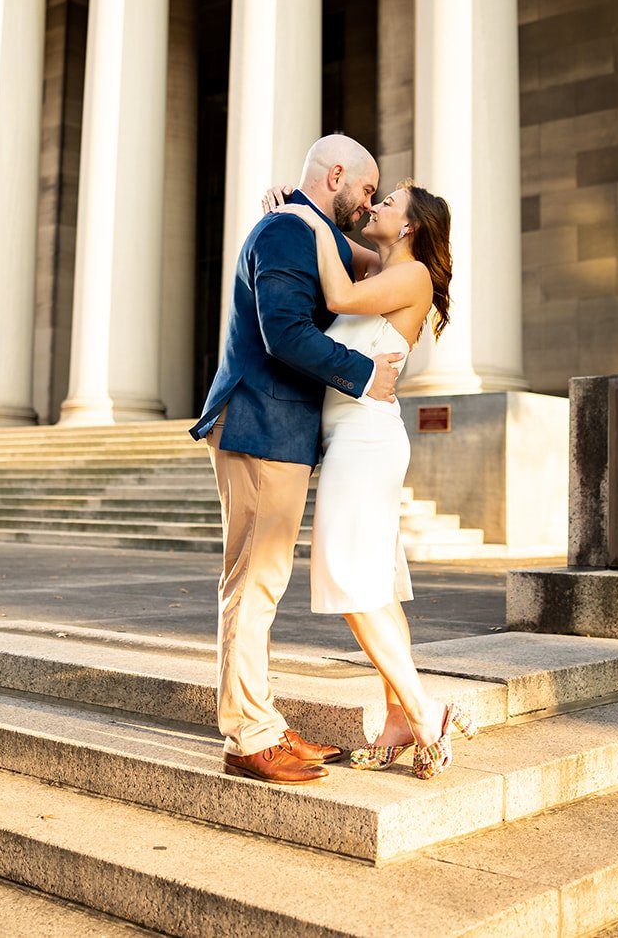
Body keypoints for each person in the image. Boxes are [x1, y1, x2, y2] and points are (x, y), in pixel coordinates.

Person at [189, 134, 404, 785]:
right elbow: (284, 333)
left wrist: (309, 210)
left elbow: (373, 260)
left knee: (261, 581)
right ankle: (249, 736)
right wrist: (365, 375)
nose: (367, 204)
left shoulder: (305, 228)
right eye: (365, 190)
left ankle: (264, 721)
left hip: (275, 427)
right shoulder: (285, 233)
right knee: (253, 583)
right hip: (259, 422)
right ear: (335, 173)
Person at [263, 178, 475, 780]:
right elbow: (338, 247)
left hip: (365, 441)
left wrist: (301, 220)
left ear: (408, 226)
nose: (375, 206)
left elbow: (332, 285)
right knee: (375, 583)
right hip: (355, 440)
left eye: (388, 202)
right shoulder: (380, 266)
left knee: (352, 583)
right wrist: (299, 206)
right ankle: (398, 720)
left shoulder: (410, 277)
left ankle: (423, 710)